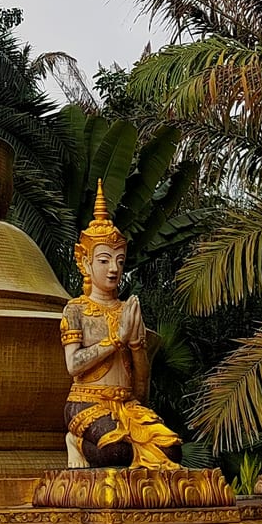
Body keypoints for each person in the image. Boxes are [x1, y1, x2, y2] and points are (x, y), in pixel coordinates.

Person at [60, 183, 182, 469]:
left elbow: (141, 384)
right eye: (104, 260)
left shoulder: (128, 310)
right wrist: (117, 339)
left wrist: (137, 346)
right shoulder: (76, 309)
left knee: (171, 452)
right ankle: (74, 440)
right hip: (87, 401)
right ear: (85, 263)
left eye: (119, 261)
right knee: (115, 454)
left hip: (126, 405)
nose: (113, 269)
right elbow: (73, 365)